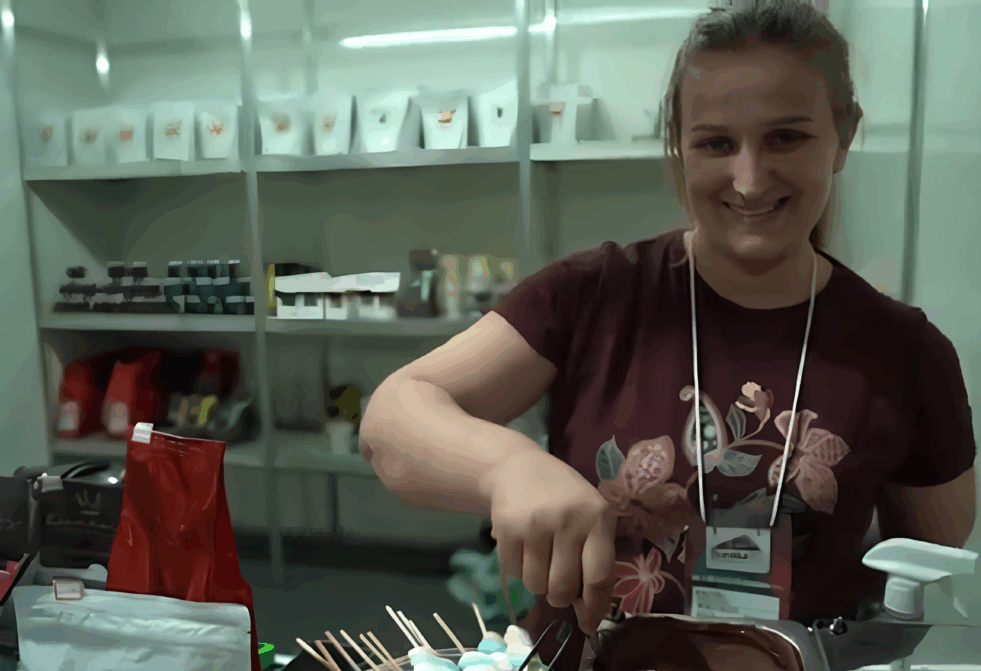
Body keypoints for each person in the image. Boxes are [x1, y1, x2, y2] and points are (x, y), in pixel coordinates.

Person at [359, 0, 977, 667]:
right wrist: (508, 465)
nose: (748, 179)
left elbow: (932, 555)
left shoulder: (904, 352)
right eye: (716, 143)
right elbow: (393, 421)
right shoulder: (594, 294)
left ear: (843, 137)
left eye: (786, 138)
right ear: (678, 144)